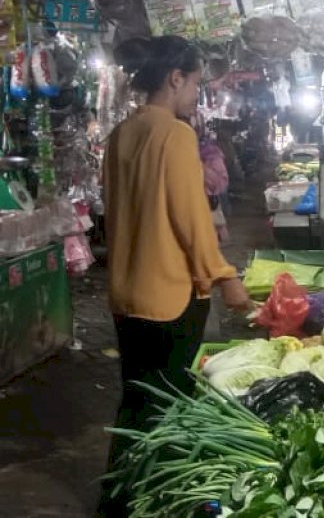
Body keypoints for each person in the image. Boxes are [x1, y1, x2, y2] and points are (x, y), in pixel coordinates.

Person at [98, 35, 249, 515]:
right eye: (196, 82)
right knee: (167, 408)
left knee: (136, 401)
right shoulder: (176, 134)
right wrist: (225, 277)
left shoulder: (123, 132)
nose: (196, 94)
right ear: (175, 77)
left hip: (126, 293)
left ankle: (116, 501)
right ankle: (154, 503)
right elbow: (191, 220)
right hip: (169, 296)